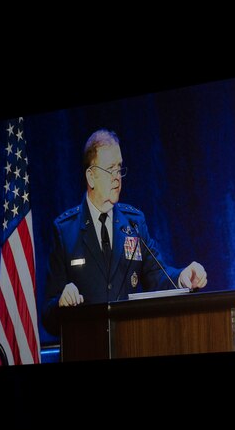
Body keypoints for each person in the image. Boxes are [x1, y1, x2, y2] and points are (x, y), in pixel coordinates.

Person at [42, 128, 208, 336]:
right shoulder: (65, 230)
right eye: (110, 169)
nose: (117, 178)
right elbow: (47, 316)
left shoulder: (134, 223)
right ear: (91, 177)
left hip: (130, 343)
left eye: (119, 168)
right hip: (84, 346)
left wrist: (183, 278)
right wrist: (61, 303)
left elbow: (158, 275)